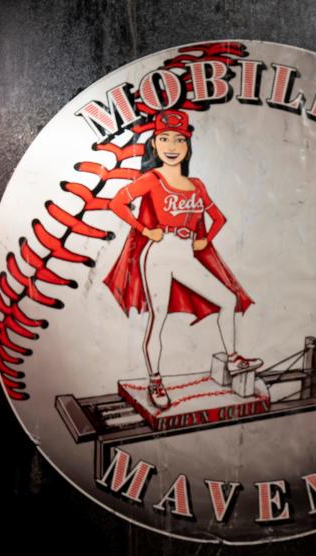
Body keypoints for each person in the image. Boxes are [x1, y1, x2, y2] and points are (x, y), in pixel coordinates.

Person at [104, 109, 262, 409]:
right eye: (164, 139)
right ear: (154, 145)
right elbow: (117, 202)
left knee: (227, 300)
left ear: (188, 146)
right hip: (160, 255)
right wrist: (144, 229)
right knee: (158, 318)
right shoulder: (153, 179)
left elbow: (218, 218)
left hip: (186, 252)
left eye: (179, 140)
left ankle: (233, 359)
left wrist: (206, 238)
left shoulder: (197, 185)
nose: (172, 146)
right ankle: (155, 380)